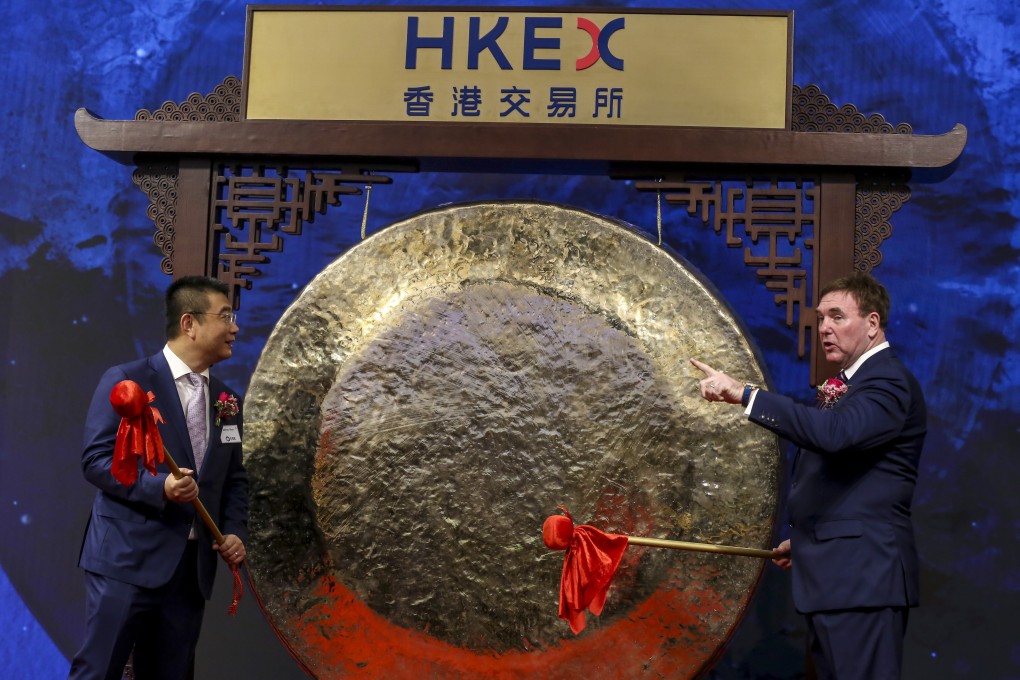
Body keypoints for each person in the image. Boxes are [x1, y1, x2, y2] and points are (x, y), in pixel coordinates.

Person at [691, 272, 926, 680]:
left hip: (862, 582)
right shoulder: (856, 384)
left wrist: (746, 394)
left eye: (837, 316)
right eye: (821, 319)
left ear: (872, 323)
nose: (825, 328)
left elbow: (835, 435)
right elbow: (845, 477)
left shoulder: (887, 381)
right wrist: (807, 539)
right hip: (838, 581)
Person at [69, 275, 249, 680]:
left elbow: (234, 479)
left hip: (189, 572)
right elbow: (96, 460)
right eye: (225, 316)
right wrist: (160, 487)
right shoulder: (128, 381)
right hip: (127, 558)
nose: (235, 328)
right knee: (98, 670)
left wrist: (234, 530)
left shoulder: (227, 401)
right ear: (190, 324)